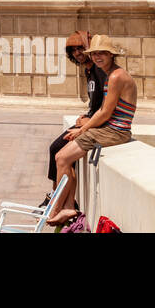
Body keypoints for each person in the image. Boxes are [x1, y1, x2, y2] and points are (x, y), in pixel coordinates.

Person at [49, 35, 137, 226]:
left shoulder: (115, 76)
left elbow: (105, 112)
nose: (97, 57)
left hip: (115, 131)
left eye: (102, 53)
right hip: (109, 128)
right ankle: (68, 205)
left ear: (111, 55)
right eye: (95, 53)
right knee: (62, 156)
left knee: (61, 157)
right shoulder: (110, 74)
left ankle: (58, 208)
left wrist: (82, 130)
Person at [43, 31, 107, 197]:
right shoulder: (89, 71)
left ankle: (55, 197)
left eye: (80, 48)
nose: (77, 53)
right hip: (89, 120)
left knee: (57, 148)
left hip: (96, 124)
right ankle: (57, 196)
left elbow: (106, 105)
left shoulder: (99, 71)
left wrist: (88, 120)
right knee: (57, 150)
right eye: (73, 50)